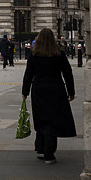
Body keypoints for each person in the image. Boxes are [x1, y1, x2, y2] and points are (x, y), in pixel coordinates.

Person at [21, 28, 76, 164]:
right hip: (56, 89)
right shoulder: (60, 54)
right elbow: (68, 74)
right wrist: (71, 92)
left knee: (41, 118)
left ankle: (40, 148)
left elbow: (28, 74)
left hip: (39, 90)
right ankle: (49, 154)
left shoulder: (34, 55)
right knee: (52, 120)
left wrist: (25, 91)